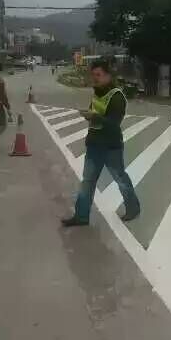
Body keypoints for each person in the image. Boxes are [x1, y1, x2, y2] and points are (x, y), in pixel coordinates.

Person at [62, 59, 140, 227]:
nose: (95, 78)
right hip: (94, 144)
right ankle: (81, 216)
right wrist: (89, 115)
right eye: (94, 75)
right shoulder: (97, 93)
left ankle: (133, 208)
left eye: (99, 75)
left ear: (108, 76)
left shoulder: (117, 96)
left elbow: (114, 123)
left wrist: (94, 117)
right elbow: (95, 113)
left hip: (111, 147)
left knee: (120, 178)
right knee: (87, 181)